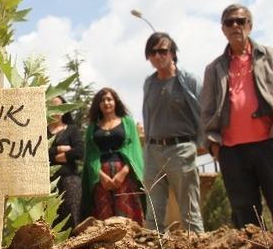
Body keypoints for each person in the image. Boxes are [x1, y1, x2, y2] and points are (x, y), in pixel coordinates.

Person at [201, 4, 273, 230]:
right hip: (232, 152)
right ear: (223, 29)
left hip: (271, 144)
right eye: (229, 22)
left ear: (250, 25)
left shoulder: (271, 57)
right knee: (245, 216)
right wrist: (213, 145)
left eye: (240, 21)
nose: (235, 26)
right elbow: (206, 111)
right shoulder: (214, 68)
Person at [142, 32, 205, 233]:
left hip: (181, 149)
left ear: (173, 53)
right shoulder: (149, 83)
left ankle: (198, 248)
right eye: (152, 52)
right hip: (153, 151)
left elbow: (205, 112)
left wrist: (202, 144)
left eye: (162, 51)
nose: (157, 56)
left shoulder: (189, 80)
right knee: (153, 212)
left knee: (189, 210)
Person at [82, 88, 145, 224]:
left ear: (115, 101)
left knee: (128, 216)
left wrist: (123, 173)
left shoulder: (128, 122)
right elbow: (90, 154)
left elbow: (135, 150)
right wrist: (100, 175)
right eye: (102, 100)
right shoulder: (92, 127)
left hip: (125, 175)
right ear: (98, 105)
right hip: (100, 178)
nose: (106, 103)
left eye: (109, 99)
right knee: (104, 218)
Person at [48, 95, 84, 227]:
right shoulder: (42, 131)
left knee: (72, 215)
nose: (56, 109)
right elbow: (40, 152)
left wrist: (53, 155)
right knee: (50, 218)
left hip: (70, 179)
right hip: (48, 181)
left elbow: (79, 151)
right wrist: (61, 149)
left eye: (59, 106)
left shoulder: (72, 130)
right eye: (52, 106)